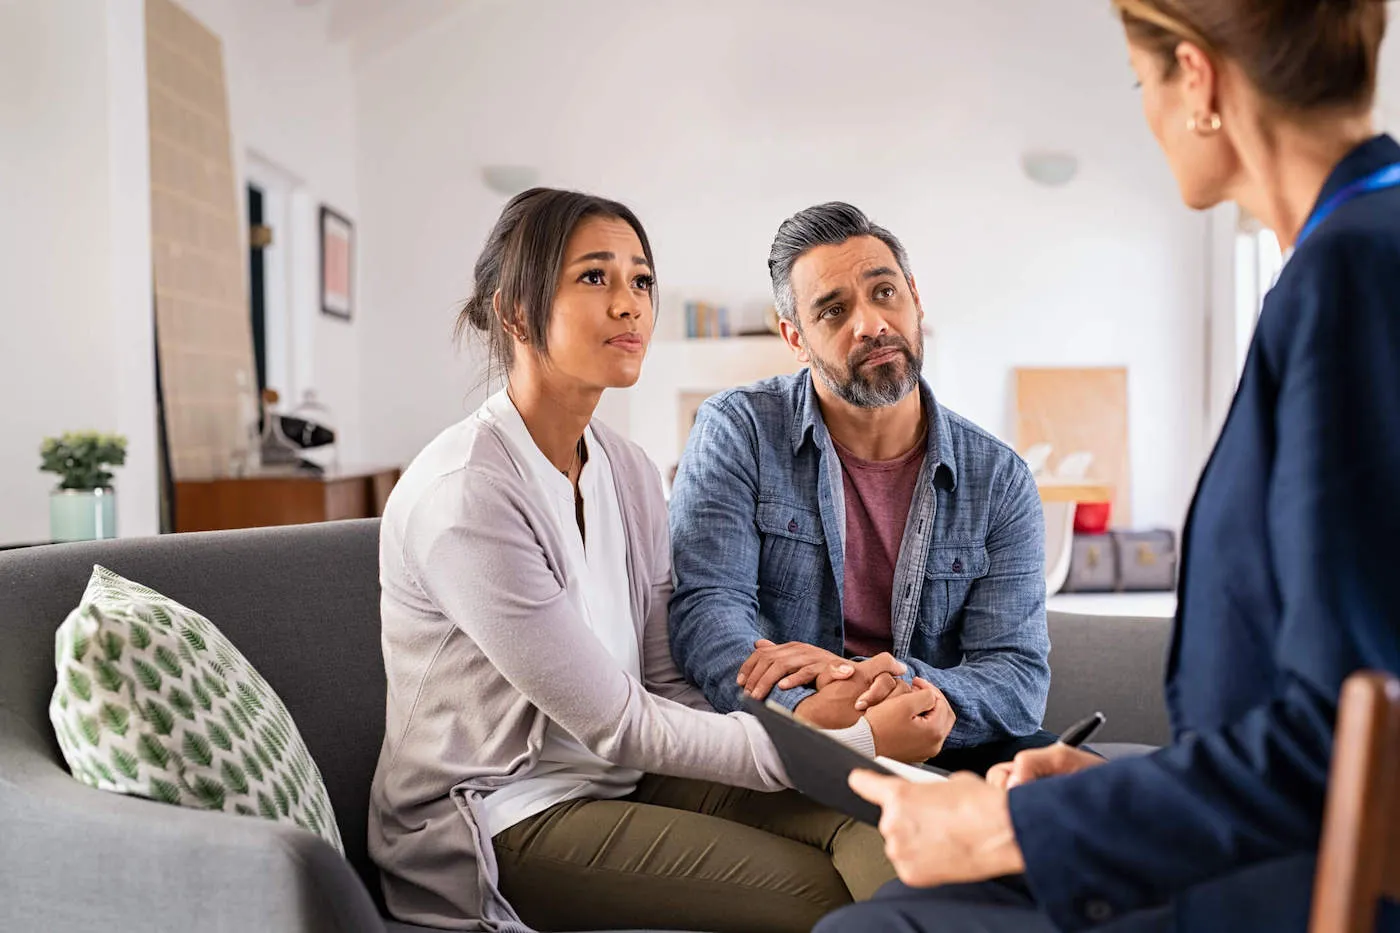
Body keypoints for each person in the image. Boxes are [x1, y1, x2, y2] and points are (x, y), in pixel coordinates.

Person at [818, 1, 1400, 931]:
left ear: (1198, 80)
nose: (1149, 113)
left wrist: (1016, 825)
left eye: (1143, 83)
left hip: (1281, 888)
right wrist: (1099, 783)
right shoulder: (1355, 251)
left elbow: (1344, 744)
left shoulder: (1352, 277)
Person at [367, 187, 901, 933]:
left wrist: (816, 712)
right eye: (595, 277)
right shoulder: (467, 496)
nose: (630, 305)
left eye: (641, 280)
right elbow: (617, 722)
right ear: (515, 313)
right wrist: (832, 739)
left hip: (632, 778)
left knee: (876, 819)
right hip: (506, 815)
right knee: (812, 893)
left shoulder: (629, 468)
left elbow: (662, 683)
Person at [668, 202, 1054, 775]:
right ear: (795, 338)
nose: (871, 324)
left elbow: (1016, 674)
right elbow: (709, 612)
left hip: (941, 731)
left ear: (915, 298)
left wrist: (897, 687)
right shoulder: (739, 430)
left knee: (1098, 796)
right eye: (832, 310)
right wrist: (814, 713)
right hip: (801, 738)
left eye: (884, 293)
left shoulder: (999, 479)